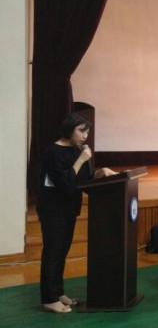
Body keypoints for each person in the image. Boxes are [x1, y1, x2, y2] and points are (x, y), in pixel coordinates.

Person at [37, 113, 116, 313]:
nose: (85, 135)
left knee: (62, 252)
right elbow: (65, 183)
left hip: (69, 208)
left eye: (87, 132)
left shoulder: (76, 151)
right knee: (53, 252)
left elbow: (83, 181)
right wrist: (81, 159)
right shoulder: (53, 151)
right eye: (81, 131)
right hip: (53, 209)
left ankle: (58, 293)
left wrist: (100, 173)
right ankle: (49, 298)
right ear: (69, 129)